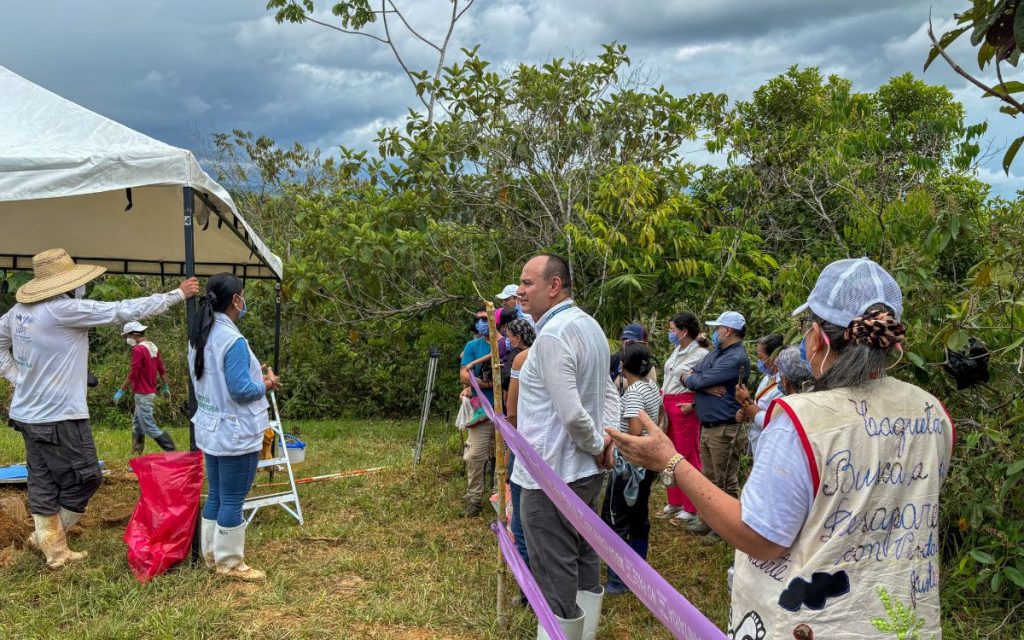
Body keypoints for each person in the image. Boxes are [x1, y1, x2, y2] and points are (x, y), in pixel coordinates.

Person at [608, 257, 954, 639]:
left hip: (816, 624)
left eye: (806, 327)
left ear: (818, 337)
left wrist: (671, 461)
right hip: (905, 621)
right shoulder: (930, 412)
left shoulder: (800, 419)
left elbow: (759, 538)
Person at [0, 248, 198, 570]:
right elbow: (122, 310)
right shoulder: (64, 309)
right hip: (59, 414)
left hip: (25, 414)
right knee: (87, 476)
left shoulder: (18, 312)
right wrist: (177, 294)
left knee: (42, 477)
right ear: (66, 284)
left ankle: (53, 550)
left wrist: (17, 376)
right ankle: (49, 537)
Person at [512, 254, 619, 640]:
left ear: (554, 286)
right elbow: (610, 393)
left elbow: (573, 414)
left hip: (551, 476)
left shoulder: (554, 336)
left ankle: (562, 633)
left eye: (528, 283)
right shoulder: (590, 325)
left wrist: (599, 443)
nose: (520, 291)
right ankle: (585, 633)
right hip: (585, 472)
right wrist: (607, 440)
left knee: (554, 572)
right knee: (583, 556)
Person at [189, 273, 280, 582]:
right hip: (235, 430)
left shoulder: (200, 335)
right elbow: (241, 390)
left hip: (213, 427)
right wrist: (267, 383)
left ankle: (211, 555)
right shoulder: (233, 340)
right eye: (243, 296)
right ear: (236, 300)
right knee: (232, 499)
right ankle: (230, 563)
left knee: (217, 494)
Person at [680, 310, 750, 535]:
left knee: (725, 480)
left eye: (718, 328)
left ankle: (727, 529)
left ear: (728, 331)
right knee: (709, 478)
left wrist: (698, 382)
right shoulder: (718, 352)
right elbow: (691, 374)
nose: (715, 332)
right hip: (709, 427)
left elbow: (695, 379)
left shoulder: (735, 358)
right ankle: (709, 521)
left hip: (724, 428)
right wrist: (703, 385)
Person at [600, 342, 661, 596]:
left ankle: (618, 579)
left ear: (623, 365)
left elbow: (634, 430)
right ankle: (639, 570)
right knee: (638, 516)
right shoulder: (650, 386)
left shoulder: (634, 392)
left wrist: (613, 440)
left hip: (630, 465)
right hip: (647, 463)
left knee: (616, 519)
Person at [657, 312, 710, 527]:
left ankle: (691, 506)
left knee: (687, 455)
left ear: (684, 331)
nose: (670, 333)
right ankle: (675, 501)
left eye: (673, 329)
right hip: (667, 403)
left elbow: (705, 381)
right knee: (670, 453)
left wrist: (694, 404)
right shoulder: (678, 350)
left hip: (683, 405)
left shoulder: (700, 354)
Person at [504, 317, 536, 575]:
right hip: (548, 445)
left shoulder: (521, 359)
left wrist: (509, 439)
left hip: (523, 439)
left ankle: (527, 584)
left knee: (522, 519)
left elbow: (512, 411)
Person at [117, 321, 176, 455]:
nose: (127, 339)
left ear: (135, 335)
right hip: (148, 391)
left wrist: (121, 390)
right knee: (137, 424)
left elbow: (134, 373)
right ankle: (137, 453)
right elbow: (161, 369)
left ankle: (172, 451)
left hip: (143, 393)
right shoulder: (152, 347)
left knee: (149, 426)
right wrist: (165, 386)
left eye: (127, 336)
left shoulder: (138, 350)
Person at [459, 306, 495, 517]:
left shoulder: (505, 345)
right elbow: (464, 374)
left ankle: (501, 499)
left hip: (506, 412)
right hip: (481, 411)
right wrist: (486, 384)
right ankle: (474, 499)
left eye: (486, 318)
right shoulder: (473, 346)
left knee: (506, 458)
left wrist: (481, 383)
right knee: (474, 455)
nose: (482, 322)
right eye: (479, 319)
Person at [734, 333, 784, 460]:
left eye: (761, 357)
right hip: (758, 442)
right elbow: (759, 408)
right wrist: (747, 413)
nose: (759, 362)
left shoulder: (783, 386)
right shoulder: (768, 378)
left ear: (775, 358)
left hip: (771, 446)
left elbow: (768, 420)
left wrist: (745, 402)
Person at [610, 323, 657, 394]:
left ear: (641, 342)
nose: (625, 343)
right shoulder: (613, 360)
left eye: (631, 341)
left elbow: (650, 392)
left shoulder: (646, 366)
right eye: (624, 339)